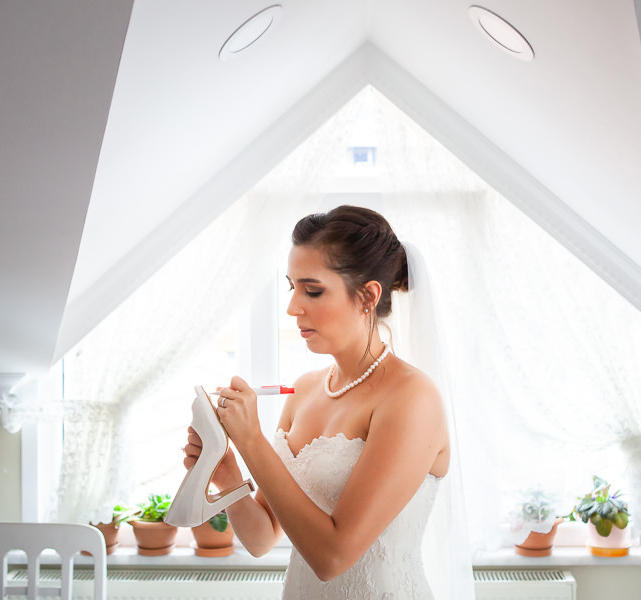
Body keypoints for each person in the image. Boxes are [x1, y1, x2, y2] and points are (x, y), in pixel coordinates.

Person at [182, 205, 452, 598]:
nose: (293, 307)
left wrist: (253, 441)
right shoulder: (305, 390)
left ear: (367, 296)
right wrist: (228, 473)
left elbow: (332, 558)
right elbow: (260, 539)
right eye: (291, 287)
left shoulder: (412, 398)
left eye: (312, 290)